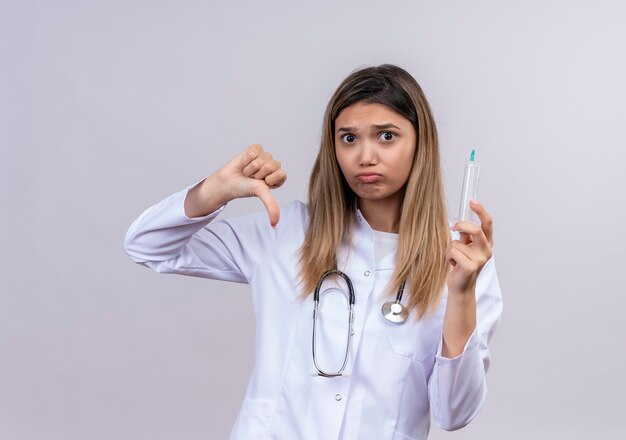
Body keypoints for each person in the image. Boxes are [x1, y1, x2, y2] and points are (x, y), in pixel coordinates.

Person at [123, 64, 503, 440]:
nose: (365, 156)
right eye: (349, 138)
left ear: (421, 143)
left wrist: (462, 293)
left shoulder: (462, 266)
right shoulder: (286, 234)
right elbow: (146, 246)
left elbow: (455, 413)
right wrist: (215, 189)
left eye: (386, 136)